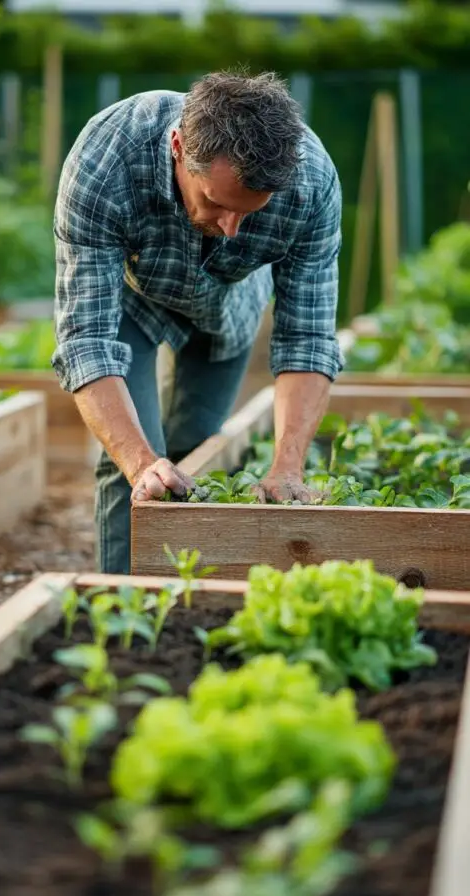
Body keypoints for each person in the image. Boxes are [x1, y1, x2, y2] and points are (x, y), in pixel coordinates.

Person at [52, 69, 343, 575]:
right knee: (138, 471)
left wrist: (288, 467)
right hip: (133, 299)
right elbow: (87, 342)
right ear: (178, 147)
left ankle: (189, 602)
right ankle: (122, 613)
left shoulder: (312, 184)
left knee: (198, 449)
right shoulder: (105, 159)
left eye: (250, 213)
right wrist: (143, 463)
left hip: (231, 304)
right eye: (215, 203)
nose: (231, 230)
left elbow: (307, 338)